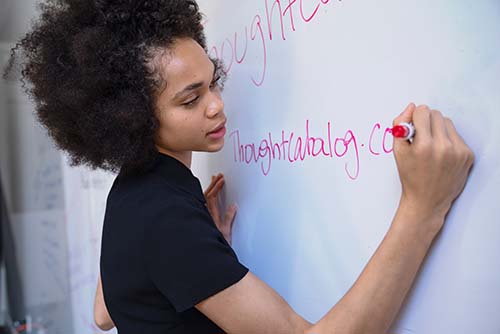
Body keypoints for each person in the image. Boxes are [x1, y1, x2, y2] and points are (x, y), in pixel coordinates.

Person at [5, 1, 474, 333]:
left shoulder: (133, 190)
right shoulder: (164, 215)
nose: (216, 106)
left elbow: (105, 313)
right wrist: (422, 207)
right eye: (191, 99)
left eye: (212, 83)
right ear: (130, 116)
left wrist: (196, 265)